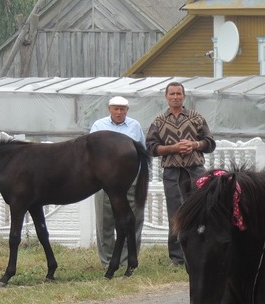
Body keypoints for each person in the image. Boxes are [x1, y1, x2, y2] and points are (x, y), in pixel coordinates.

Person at [146, 82, 216, 265]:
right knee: (175, 213)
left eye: (178, 93)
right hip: (172, 173)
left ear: (184, 96)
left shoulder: (196, 118)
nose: (175, 97)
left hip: (195, 171)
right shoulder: (159, 121)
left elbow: (210, 143)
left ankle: (200, 252)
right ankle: (177, 257)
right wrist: (173, 148)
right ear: (166, 97)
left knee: (199, 212)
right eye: (172, 94)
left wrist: (195, 145)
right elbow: (151, 148)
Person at [90, 96, 147, 268]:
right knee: (105, 219)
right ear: (109, 109)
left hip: (131, 179)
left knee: (133, 218)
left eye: (123, 109)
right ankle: (107, 260)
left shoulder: (135, 126)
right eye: (116, 108)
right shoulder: (99, 126)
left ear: (127, 110)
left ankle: (127, 259)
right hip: (104, 179)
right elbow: (91, 153)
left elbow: (142, 152)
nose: (119, 112)